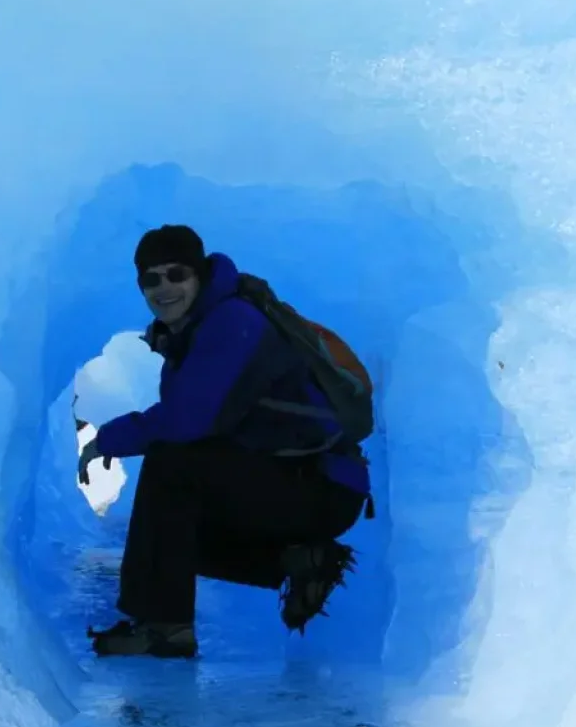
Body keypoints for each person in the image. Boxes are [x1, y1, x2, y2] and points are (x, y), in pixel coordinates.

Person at [78, 224, 372, 658]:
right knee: (169, 538)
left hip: (321, 484)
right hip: (290, 479)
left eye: (176, 274)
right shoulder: (194, 332)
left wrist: (106, 440)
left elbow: (185, 420)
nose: (164, 288)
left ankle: (165, 628)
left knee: (169, 462)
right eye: (151, 279)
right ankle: (299, 560)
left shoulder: (233, 322)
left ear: (199, 275)